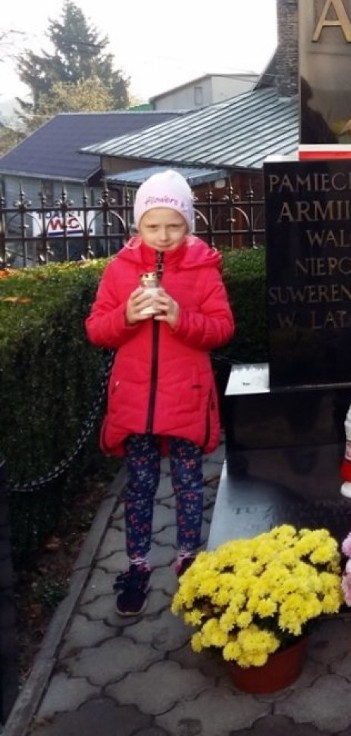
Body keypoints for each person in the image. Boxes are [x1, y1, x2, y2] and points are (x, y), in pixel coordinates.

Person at [86, 169, 234, 616]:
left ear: (189, 224)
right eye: (153, 226)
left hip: (185, 398)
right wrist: (127, 315)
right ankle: (137, 565)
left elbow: (223, 329)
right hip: (134, 402)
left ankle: (189, 558)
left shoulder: (203, 269)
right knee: (141, 485)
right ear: (138, 226)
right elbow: (97, 329)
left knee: (189, 484)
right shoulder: (119, 270)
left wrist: (180, 317)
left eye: (174, 225)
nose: (164, 235)